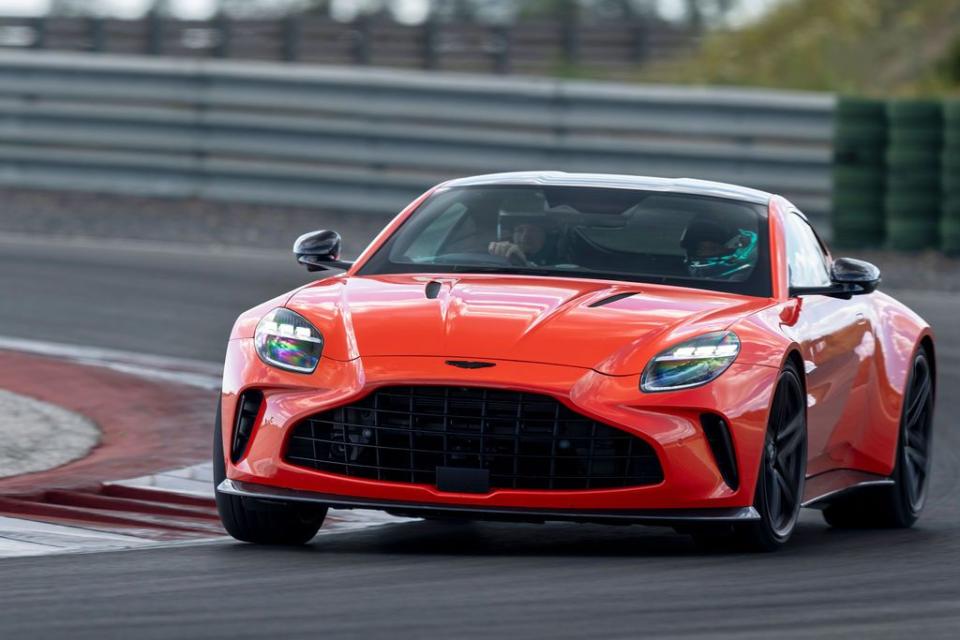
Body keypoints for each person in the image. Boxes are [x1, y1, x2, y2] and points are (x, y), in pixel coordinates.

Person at [680, 216, 758, 279]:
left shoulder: (742, 277)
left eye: (713, 248)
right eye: (701, 248)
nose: (704, 250)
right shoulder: (685, 281)